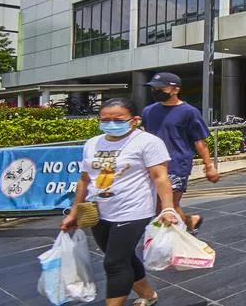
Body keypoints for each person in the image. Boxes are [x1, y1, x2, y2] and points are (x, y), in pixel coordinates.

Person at [61, 98, 180, 306]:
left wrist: (168, 208)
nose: (111, 123)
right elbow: (84, 179)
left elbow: (160, 177)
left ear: (134, 120)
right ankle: (149, 295)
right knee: (122, 257)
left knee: (114, 262)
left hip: (134, 210)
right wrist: (74, 212)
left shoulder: (148, 142)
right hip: (98, 211)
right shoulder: (92, 143)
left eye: (118, 119)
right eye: (105, 119)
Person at [141, 72, 218, 234]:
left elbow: (199, 141)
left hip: (177, 163)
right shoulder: (148, 111)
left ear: (175, 90)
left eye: (161, 88)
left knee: (167, 205)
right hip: (152, 164)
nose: (156, 91)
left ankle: (175, 240)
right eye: (154, 88)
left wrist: (209, 166)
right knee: (157, 205)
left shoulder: (189, 112)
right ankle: (190, 222)